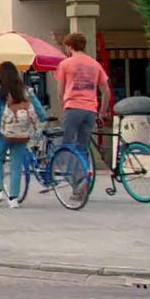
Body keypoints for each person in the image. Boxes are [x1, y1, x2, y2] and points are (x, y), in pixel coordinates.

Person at [54, 33, 110, 203]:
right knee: (82, 147)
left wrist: (64, 102)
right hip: (90, 110)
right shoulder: (95, 65)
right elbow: (106, 91)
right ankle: (84, 178)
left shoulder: (65, 64)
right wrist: (102, 112)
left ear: (70, 46)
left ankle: (79, 183)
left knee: (67, 146)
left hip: (73, 107)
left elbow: (60, 92)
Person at [0, 62, 46, 209]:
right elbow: (39, 109)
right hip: (22, 133)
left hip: (4, 132)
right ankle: (13, 198)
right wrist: (42, 120)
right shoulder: (25, 90)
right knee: (16, 164)